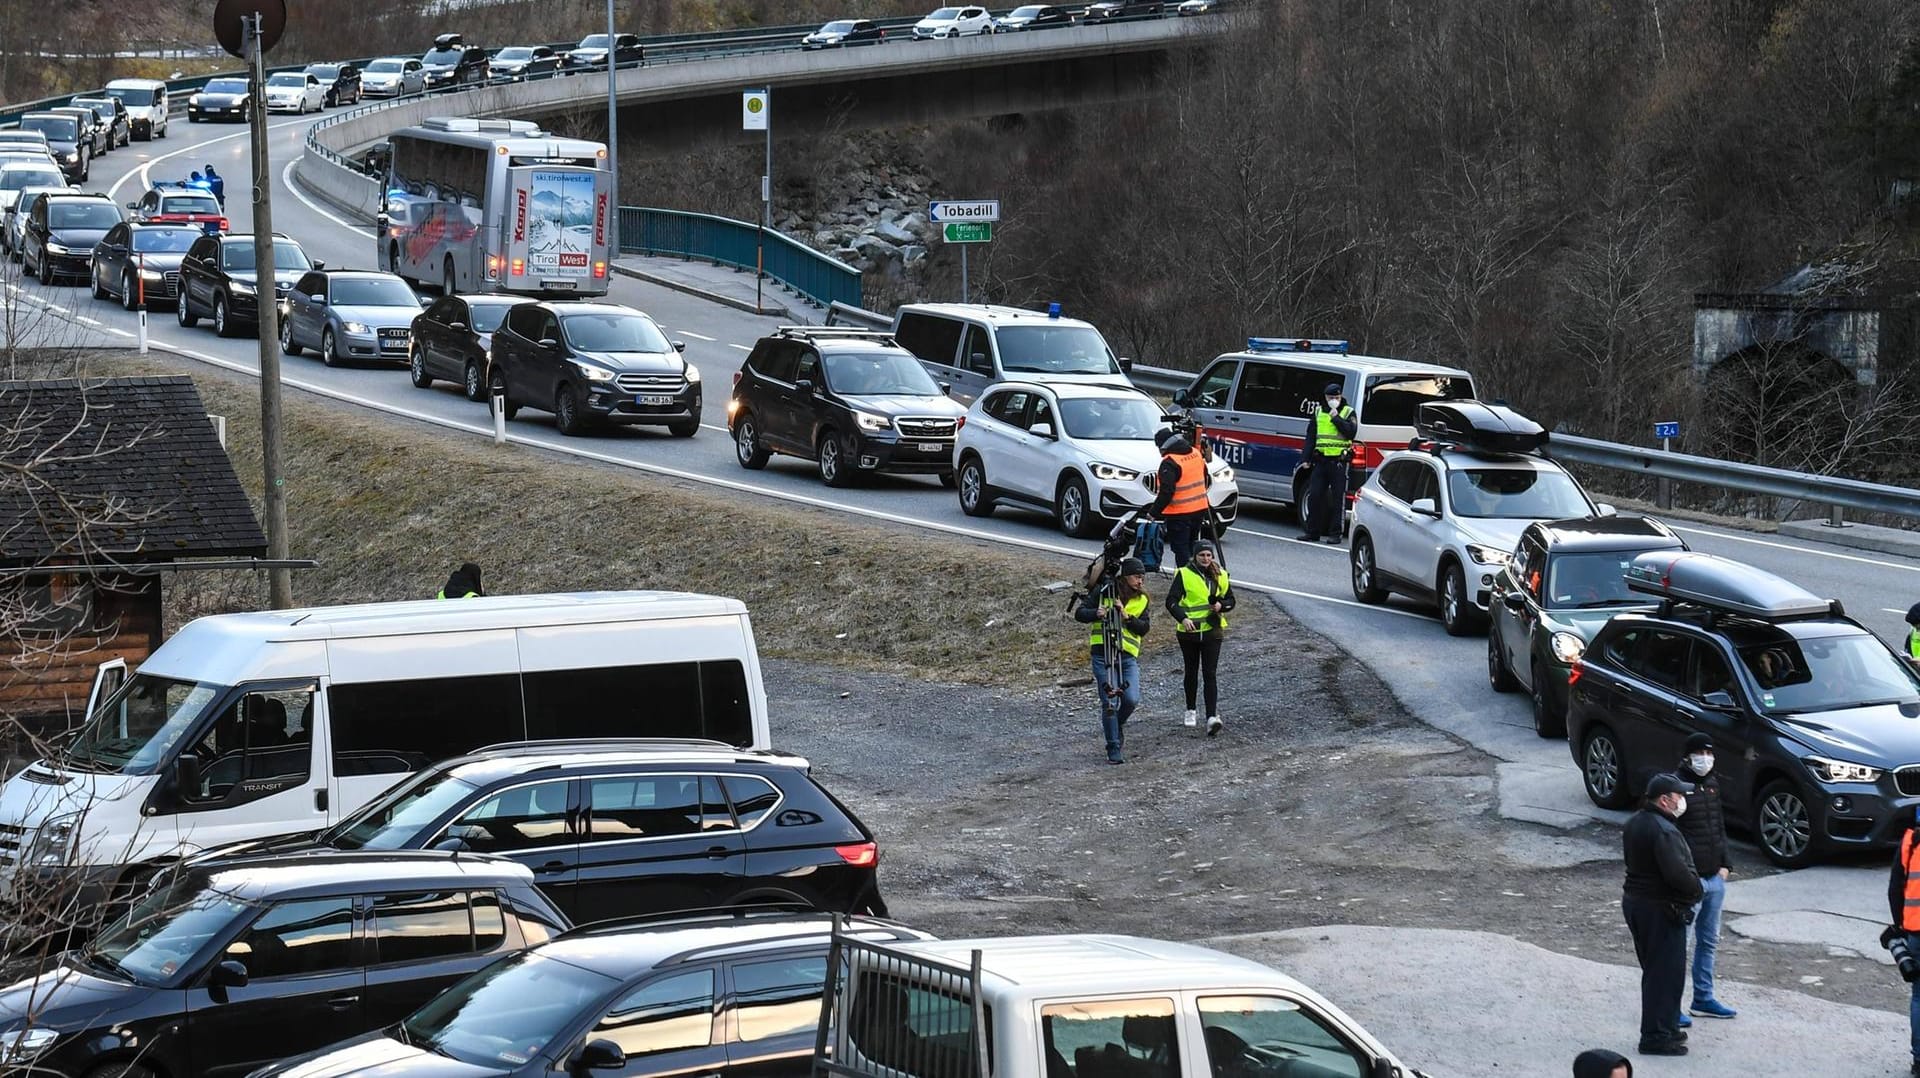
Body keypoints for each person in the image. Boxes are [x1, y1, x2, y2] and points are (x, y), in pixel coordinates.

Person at [1621, 773, 1704, 1057]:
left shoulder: (1636, 822)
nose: (1683, 800)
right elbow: (1677, 874)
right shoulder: (1664, 831)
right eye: (1679, 796)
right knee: (1664, 975)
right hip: (1660, 908)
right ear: (1665, 800)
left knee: (1657, 971)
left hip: (1638, 903)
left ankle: (1666, 1027)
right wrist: (1697, 889)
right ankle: (1657, 1037)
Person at [1674, 733, 1737, 1023]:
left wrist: (1726, 865)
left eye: (1708, 753)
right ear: (1687, 756)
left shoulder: (1712, 785)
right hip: (1691, 882)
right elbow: (1669, 837)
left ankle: (1703, 998)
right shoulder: (1676, 787)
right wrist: (1685, 875)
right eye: (1699, 752)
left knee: (1708, 941)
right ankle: (1670, 1006)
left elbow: (1719, 828)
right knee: (1679, 945)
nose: (1705, 758)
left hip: (1715, 879)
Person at [1074, 556, 1150, 765]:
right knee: (1109, 701)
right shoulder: (1104, 591)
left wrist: (1127, 617)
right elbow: (1080, 613)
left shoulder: (1142, 600)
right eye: (1136, 577)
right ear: (1125, 577)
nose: (1140, 581)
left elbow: (1144, 628)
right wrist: (1096, 613)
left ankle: (1117, 725)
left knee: (1131, 699)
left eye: (1142, 577)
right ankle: (1113, 746)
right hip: (1102, 654)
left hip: (1127, 657)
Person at [1166, 538, 1234, 735]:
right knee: (1191, 670)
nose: (1205, 558)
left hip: (1213, 630)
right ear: (1195, 557)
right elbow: (1171, 600)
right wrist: (1183, 618)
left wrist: (1222, 605)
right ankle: (1190, 709)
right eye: (1202, 555)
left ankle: (1212, 716)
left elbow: (1231, 599)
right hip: (1189, 632)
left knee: (1210, 673)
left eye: (1208, 555)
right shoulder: (1184, 574)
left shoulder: (1221, 575)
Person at [1299, 382, 1356, 544]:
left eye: (1336, 397)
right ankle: (1312, 532)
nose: (1334, 400)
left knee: (1338, 499)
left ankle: (1335, 534)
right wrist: (1306, 459)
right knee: (1314, 496)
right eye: (1331, 398)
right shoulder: (1318, 412)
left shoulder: (1348, 411)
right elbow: (1311, 437)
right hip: (1321, 461)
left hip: (1339, 462)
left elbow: (1351, 432)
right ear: (1325, 397)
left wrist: (1336, 418)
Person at [1886, 806, 1920, 1075]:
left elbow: (1895, 887)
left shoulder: (1911, 839)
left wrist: (1899, 925)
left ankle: (1919, 1060)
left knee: (1919, 997)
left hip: (1915, 930)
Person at [1146, 429, 1210, 569]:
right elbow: (1205, 476)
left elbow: (1166, 492)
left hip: (1179, 514)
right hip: (1199, 509)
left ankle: (1185, 580)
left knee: (1181, 550)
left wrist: (1153, 512)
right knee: (1193, 546)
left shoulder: (1170, 462)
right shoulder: (1195, 453)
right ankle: (1196, 575)